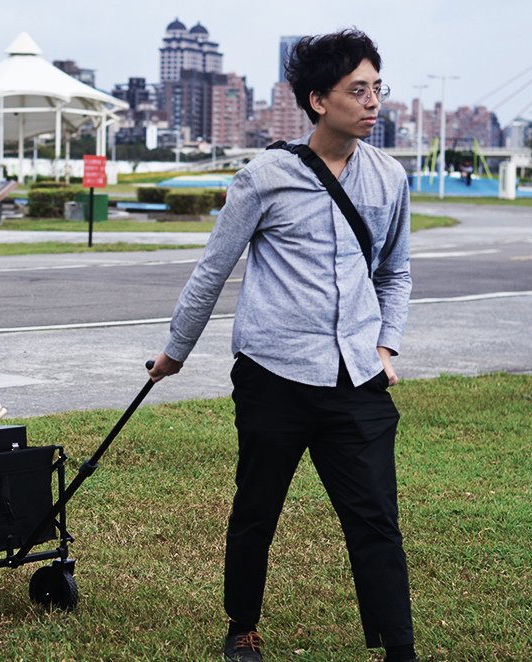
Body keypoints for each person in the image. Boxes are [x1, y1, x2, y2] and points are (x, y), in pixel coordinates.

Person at [147, 29, 417, 662]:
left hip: (358, 380)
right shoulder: (264, 176)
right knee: (257, 511)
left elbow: (395, 273)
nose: (374, 101)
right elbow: (212, 270)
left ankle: (398, 648)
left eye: (378, 87)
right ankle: (242, 627)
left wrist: (387, 348)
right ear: (319, 100)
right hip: (274, 377)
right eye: (359, 90)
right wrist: (174, 353)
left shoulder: (390, 178)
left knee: (375, 519)